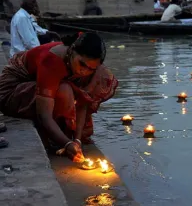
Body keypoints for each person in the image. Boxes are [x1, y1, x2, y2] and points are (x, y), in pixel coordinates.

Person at [0, 32, 118, 162]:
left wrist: (77, 140)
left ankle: (64, 136)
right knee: (64, 90)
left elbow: (83, 101)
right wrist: (66, 143)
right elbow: (44, 115)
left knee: (97, 77)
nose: (84, 71)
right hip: (12, 91)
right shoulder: (52, 61)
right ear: (72, 50)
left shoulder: (90, 68)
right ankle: (57, 137)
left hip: (40, 87)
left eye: (91, 68)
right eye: (82, 64)